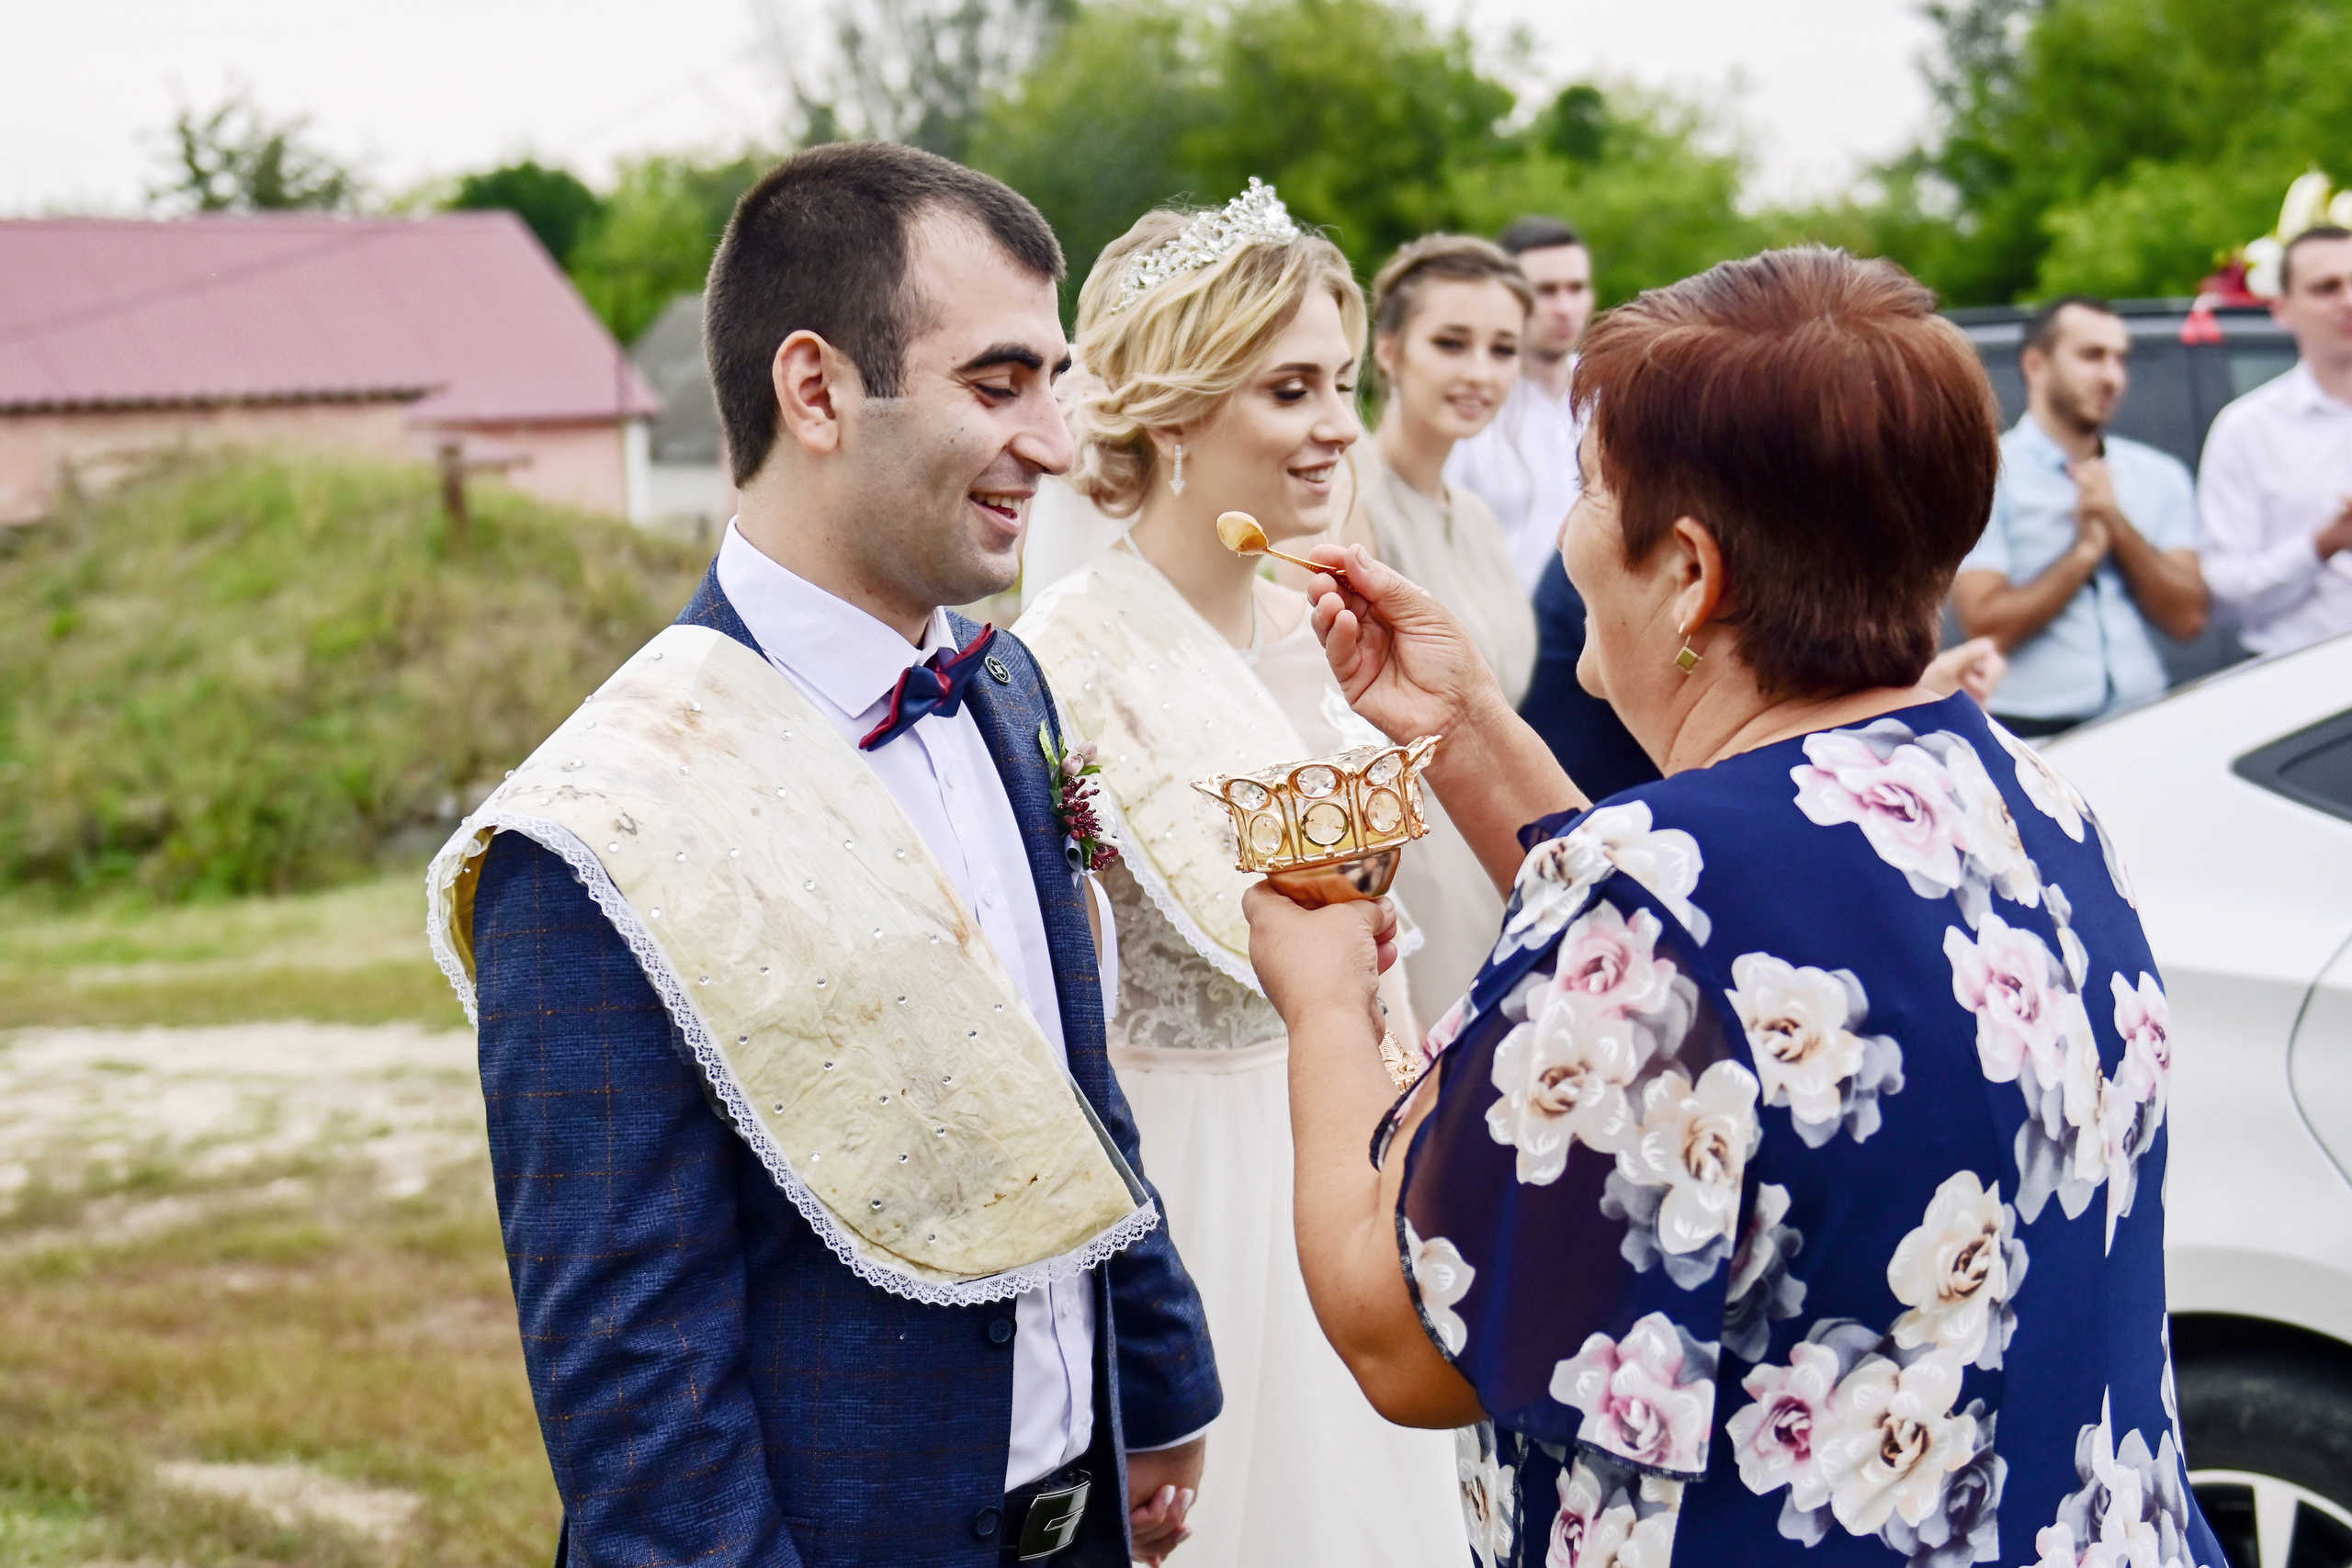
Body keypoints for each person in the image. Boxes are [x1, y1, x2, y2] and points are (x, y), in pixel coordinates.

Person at [1250, 248, 2222, 1568]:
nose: (1570, 525)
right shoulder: (2035, 801)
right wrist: (1472, 727)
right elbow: (1726, 982)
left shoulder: (1651, 895)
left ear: (1691, 573)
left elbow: (1404, 1336)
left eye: (1595, 489)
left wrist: (1321, 1001)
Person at [424, 143, 1219, 1568]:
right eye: (998, 384)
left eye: (1057, 378)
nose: (1053, 440)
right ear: (816, 390)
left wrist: (1154, 1384)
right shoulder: (601, 827)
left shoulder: (1006, 690)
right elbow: (630, 1370)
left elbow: (1071, 1086)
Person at [1013, 180, 1463, 1568]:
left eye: (1340, 380)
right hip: (1193, 1177)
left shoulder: (1325, 630)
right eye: (1289, 389)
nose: (1338, 424)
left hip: (1360, 1156)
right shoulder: (1064, 662)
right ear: (1173, 413)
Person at [1359, 234, 1542, 1010]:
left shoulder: (1476, 520)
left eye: (1502, 349)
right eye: (1451, 342)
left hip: (1491, 849)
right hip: (1408, 868)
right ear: (1390, 347)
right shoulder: (1347, 499)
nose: (1480, 372)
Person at [1952, 296, 2207, 736]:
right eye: (2092, 356)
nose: (2112, 376)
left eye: (2120, 359)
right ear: (2036, 365)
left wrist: (2115, 525)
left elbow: (2187, 619)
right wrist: (2084, 553)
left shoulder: (2159, 474)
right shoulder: (1985, 475)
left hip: (2147, 722)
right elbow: (1985, 624)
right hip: (2035, 733)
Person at [2199, 224, 2352, 655]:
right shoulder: (2247, 430)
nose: (2348, 300)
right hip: (2302, 697)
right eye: (2327, 288)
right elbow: (2224, 597)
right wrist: (2322, 544)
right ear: (2282, 309)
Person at [1443, 216, 1595, 594]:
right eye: (1546, 290)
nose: (1565, 307)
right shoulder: (1468, 405)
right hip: (1499, 630)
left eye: (1576, 288)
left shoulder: (1611, 395)